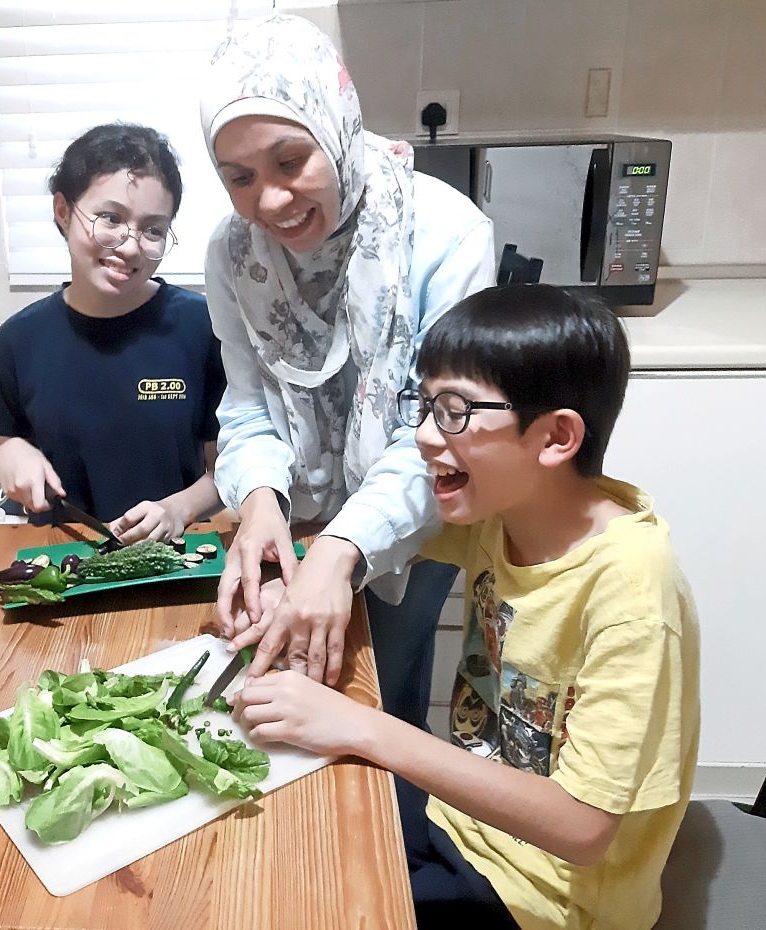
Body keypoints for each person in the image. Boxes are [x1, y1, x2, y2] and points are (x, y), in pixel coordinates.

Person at [233, 283, 701, 930]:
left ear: (556, 437)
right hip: (459, 826)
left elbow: (583, 827)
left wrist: (362, 725)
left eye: (453, 411)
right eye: (421, 407)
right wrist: (304, 580)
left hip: (542, 898)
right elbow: (382, 540)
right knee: (280, 843)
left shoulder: (633, 591)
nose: (424, 436)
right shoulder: (501, 512)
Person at [199, 14, 495, 729]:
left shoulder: (446, 238)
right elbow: (246, 407)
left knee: (378, 705)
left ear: (335, 126)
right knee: (281, 715)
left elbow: (444, 433)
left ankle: (407, 837)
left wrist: (342, 548)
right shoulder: (234, 254)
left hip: (407, 526)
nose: (268, 201)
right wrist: (261, 499)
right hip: (292, 519)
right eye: (239, 177)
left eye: (291, 161)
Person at [0, 124, 224, 542]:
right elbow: (8, 446)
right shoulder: (17, 341)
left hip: (175, 561)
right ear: (62, 211)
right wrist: (9, 454)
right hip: (62, 566)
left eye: (153, 230)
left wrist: (176, 509)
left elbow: (227, 469)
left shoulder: (202, 327)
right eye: (110, 218)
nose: (130, 247)